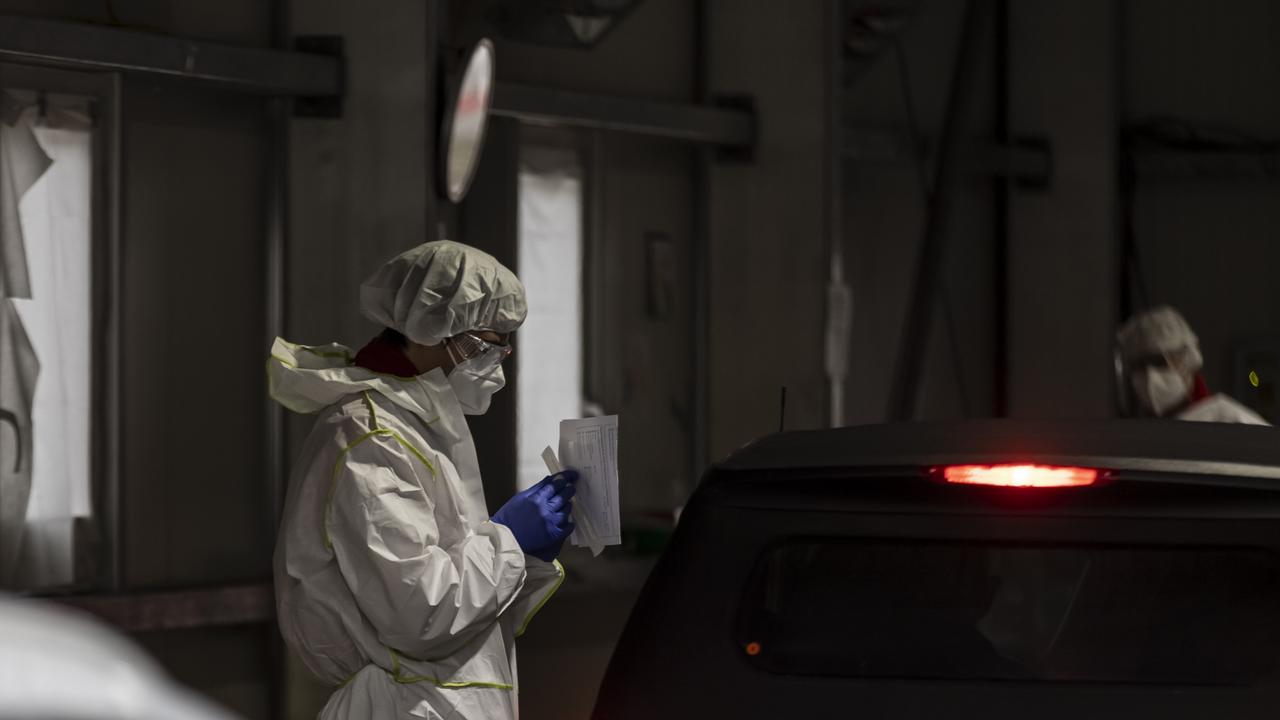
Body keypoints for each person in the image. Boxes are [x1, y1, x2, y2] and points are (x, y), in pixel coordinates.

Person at [269, 240, 577, 719]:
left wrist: (527, 556)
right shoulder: (369, 435)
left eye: (503, 345)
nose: (496, 363)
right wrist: (511, 541)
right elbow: (420, 614)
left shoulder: (419, 428)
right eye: (485, 344)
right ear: (430, 330)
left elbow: (469, 616)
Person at [1116, 305, 1268, 425]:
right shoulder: (1139, 436)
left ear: (1188, 360)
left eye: (1159, 361)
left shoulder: (1229, 420)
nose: (1149, 375)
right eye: (1139, 365)